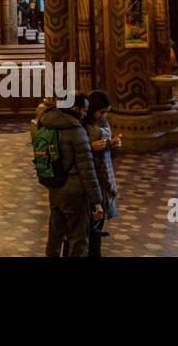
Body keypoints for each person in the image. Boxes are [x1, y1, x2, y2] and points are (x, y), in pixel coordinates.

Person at [34, 92, 103, 257]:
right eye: (84, 110)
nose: (85, 113)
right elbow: (87, 170)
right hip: (74, 192)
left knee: (55, 236)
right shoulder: (76, 131)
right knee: (78, 238)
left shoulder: (45, 123)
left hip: (54, 186)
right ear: (75, 108)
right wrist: (97, 201)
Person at [83, 90, 121, 257]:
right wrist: (91, 148)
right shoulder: (82, 126)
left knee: (98, 223)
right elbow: (76, 152)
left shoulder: (104, 123)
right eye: (101, 111)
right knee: (90, 225)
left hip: (104, 177)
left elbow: (108, 154)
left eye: (106, 111)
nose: (104, 115)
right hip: (90, 178)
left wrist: (113, 146)